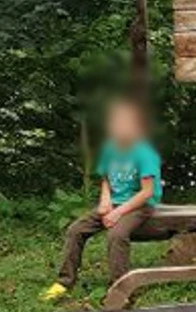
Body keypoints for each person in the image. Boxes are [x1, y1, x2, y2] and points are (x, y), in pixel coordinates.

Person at [55, 97, 162, 292]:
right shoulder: (109, 149)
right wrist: (105, 202)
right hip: (114, 202)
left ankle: (119, 288)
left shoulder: (145, 153)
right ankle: (64, 282)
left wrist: (118, 212)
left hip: (139, 204)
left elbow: (146, 192)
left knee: (117, 234)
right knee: (75, 230)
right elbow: (106, 179)